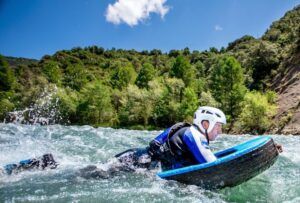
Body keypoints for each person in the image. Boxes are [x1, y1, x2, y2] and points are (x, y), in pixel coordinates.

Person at [1, 106, 283, 177]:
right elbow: (211, 164)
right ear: (206, 123)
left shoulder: (192, 134)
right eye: (219, 126)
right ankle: (46, 163)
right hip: (136, 162)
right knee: (82, 174)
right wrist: (264, 154)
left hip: (136, 159)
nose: (221, 131)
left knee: (88, 170)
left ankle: (48, 162)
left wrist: (269, 152)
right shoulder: (194, 134)